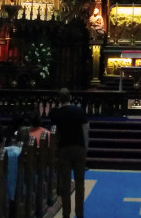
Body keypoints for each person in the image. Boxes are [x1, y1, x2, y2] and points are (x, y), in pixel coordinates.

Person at [50, 88, 89, 218]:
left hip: (63, 149)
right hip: (78, 148)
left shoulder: (56, 113)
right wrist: (85, 147)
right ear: (70, 97)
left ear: (59, 99)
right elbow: (85, 130)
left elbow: (53, 133)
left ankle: (65, 214)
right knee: (80, 183)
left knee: (65, 184)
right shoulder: (78, 111)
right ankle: (80, 213)